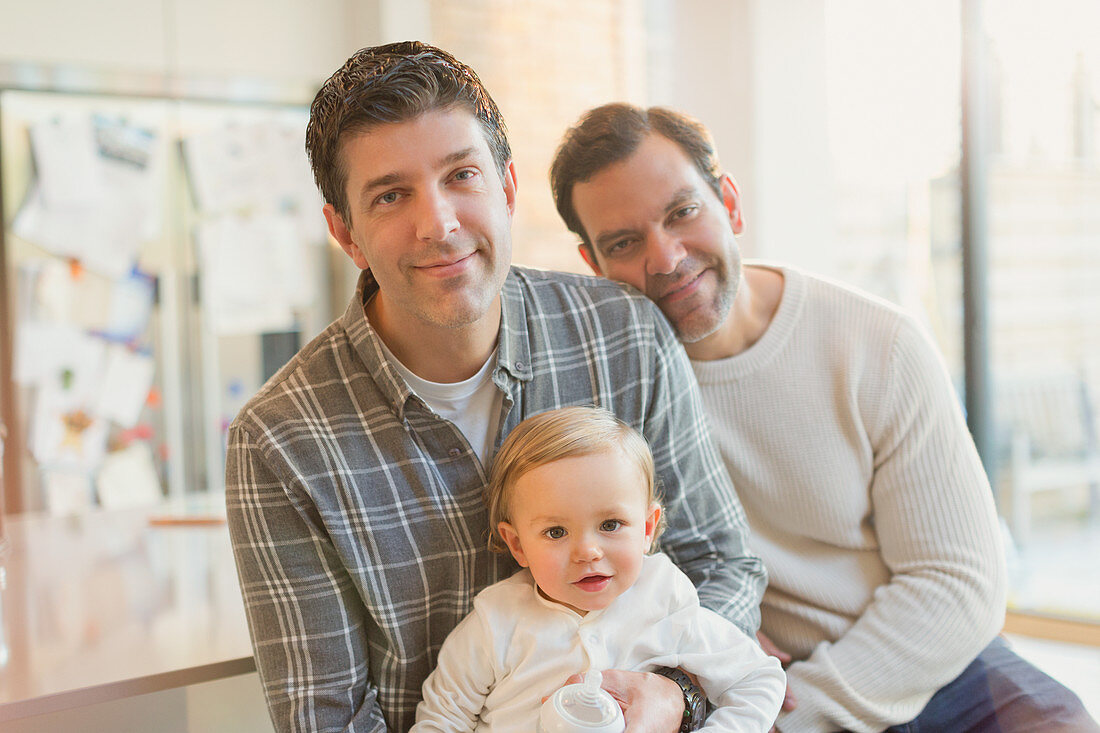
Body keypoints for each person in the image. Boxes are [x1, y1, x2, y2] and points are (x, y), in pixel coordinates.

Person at [225, 44, 766, 733]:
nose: (440, 224)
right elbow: (326, 719)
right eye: (391, 195)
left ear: (506, 188)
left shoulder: (625, 334)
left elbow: (723, 562)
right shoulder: (280, 441)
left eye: (462, 176)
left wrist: (678, 694)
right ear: (345, 232)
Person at [549, 103, 1100, 733]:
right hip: (749, 679)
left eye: (683, 212)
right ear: (593, 266)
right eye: (624, 242)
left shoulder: (877, 344)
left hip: (927, 665)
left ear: (729, 203)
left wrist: (792, 712)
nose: (667, 257)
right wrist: (712, 657)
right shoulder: (606, 397)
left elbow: (959, 583)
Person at [411, 406, 786, 731]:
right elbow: (442, 719)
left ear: (647, 529)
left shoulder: (663, 599)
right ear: (518, 545)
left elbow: (757, 678)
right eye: (556, 532)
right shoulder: (496, 622)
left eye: (610, 525)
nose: (588, 551)